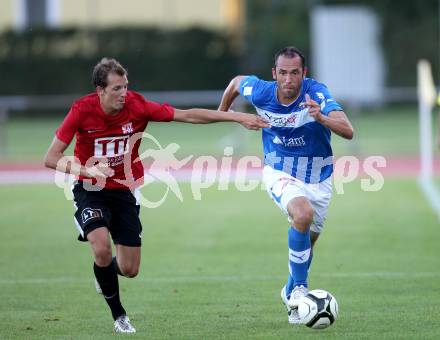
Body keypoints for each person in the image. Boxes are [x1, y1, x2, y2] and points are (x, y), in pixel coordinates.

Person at [43, 57, 268, 334]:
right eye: (116, 89)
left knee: (129, 269)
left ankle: (105, 273)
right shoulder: (81, 110)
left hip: (125, 190)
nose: (123, 93)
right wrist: (87, 171)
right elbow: (51, 157)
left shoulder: (137, 106)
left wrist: (236, 116)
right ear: (100, 90)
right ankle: (120, 316)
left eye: (125, 86)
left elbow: (188, 115)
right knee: (101, 247)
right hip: (90, 190)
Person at [218, 46, 354, 324]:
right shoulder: (261, 91)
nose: (288, 79)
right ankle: (302, 291)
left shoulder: (315, 93)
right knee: (302, 215)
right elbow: (234, 83)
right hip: (279, 170)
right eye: (283, 73)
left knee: (308, 243)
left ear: (304, 73)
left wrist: (321, 117)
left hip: (320, 177)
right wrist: (226, 114)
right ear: (274, 74)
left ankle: (291, 291)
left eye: (294, 73)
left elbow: (348, 130)